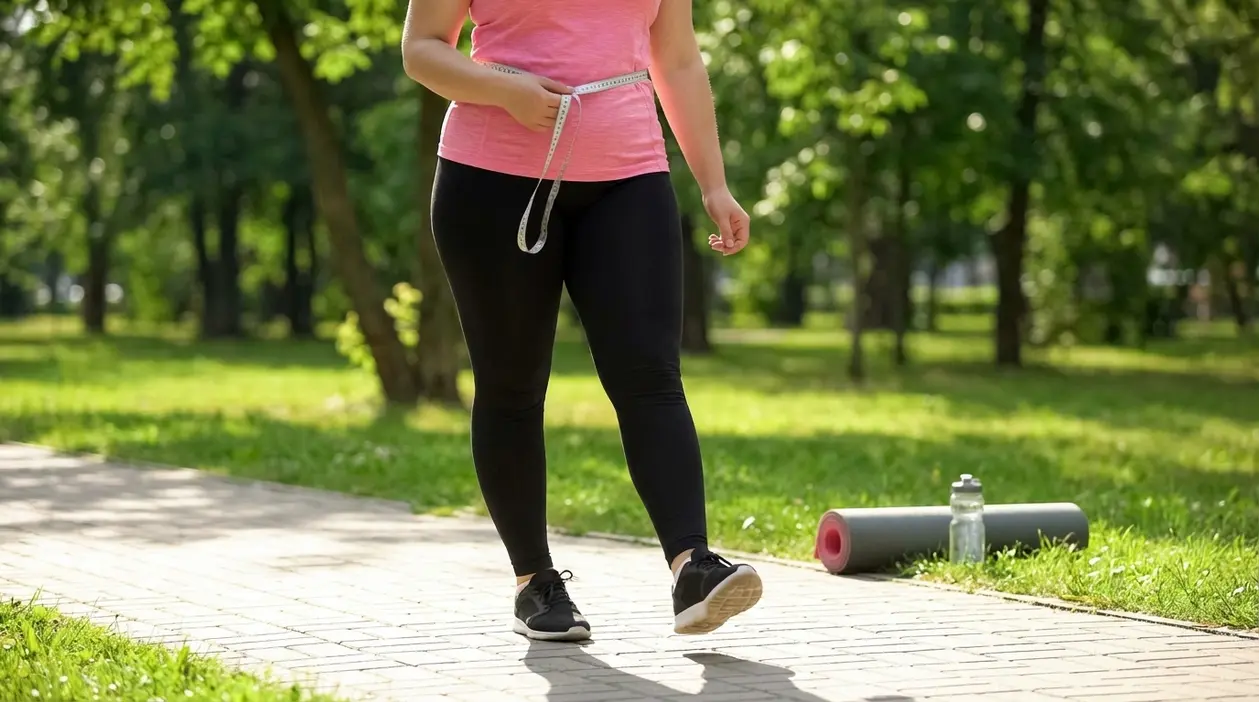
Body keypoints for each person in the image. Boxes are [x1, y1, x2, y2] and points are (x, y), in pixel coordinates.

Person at [401, 0, 762, 642]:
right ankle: (534, 583)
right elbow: (423, 47)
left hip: (630, 176)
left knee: (650, 374)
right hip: (491, 180)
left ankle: (692, 567)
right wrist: (502, 89)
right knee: (512, 386)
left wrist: (713, 184)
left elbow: (675, 56)